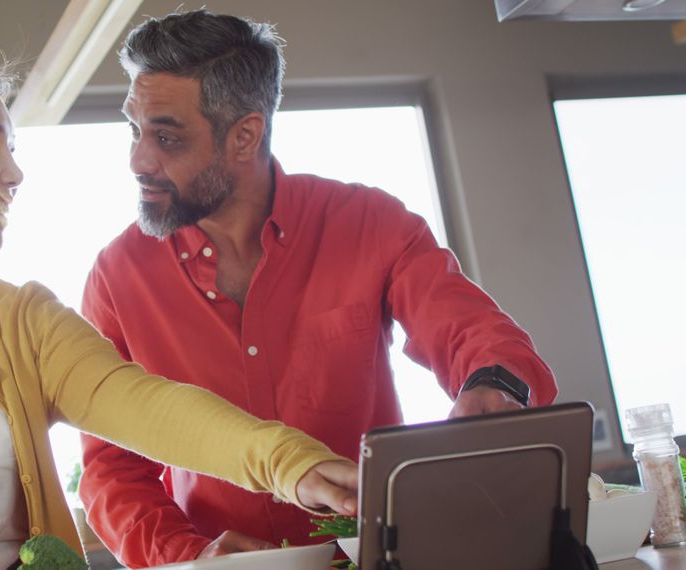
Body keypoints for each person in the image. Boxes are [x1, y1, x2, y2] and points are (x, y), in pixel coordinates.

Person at [0, 45, 358, 570]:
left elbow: (150, 407)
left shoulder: (21, 322)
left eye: (11, 145)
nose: (14, 172)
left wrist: (290, 463)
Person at [78, 9, 560, 567]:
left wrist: (494, 386)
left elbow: (474, 331)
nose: (138, 159)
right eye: (133, 129)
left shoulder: (369, 223)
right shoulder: (117, 276)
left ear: (245, 135)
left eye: (166, 136)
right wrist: (186, 556)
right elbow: (110, 465)